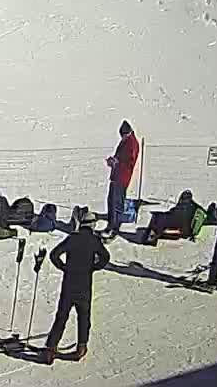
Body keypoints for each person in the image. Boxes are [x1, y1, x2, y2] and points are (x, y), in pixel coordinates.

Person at [43, 212, 110, 364]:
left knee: (61, 317)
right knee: (83, 318)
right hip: (84, 286)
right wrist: (93, 267)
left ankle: (51, 348)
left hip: (68, 284)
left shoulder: (72, 238)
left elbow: (54, 255)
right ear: (93, 225)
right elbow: (105, 257)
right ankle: (81, 347)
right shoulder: (94, 240)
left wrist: (64, 267)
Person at [105, 121, 140, 238]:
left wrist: (116, 163)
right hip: (117, 176)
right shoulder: (127, 141)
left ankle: (113, 227)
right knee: (111, 201)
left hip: (121, 177)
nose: (122, 137)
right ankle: (112, 223)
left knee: (116, 202)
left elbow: (129, 162)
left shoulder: (132, 143)